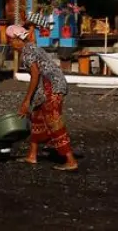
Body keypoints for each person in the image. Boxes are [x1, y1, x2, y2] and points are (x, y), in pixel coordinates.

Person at [9, 23, 78, 171]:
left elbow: (35, 75)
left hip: (51, 86)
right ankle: (32, 155)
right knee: (37, 118)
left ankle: (70, 160)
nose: (10, 44)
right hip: (50, 86)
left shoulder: (27, 52)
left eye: (10, 40)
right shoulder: (31, 47)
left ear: (17, 40)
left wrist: (26, 100)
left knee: (54, 122)